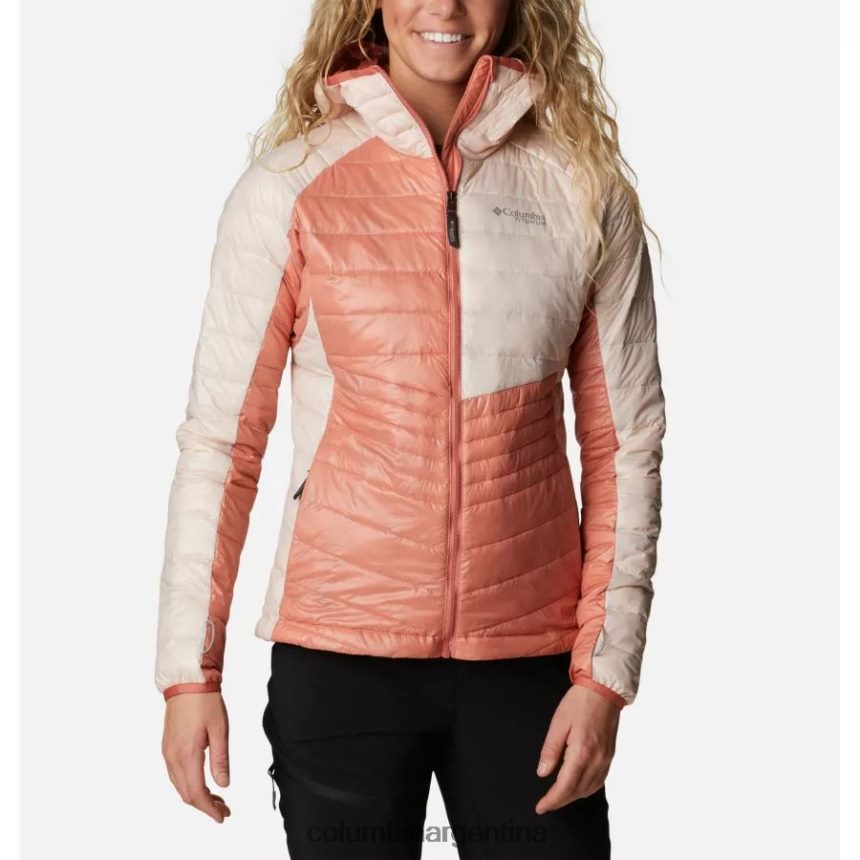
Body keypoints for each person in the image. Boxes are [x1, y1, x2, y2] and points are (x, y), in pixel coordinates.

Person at [156, 1, 667, 857]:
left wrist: (604, 676)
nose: (444, 7)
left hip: (530, 664)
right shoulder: (289, 187)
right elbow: (221, 442)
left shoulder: (582, 191)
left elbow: (627, 447)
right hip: (339, 657)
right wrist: (188, 673)